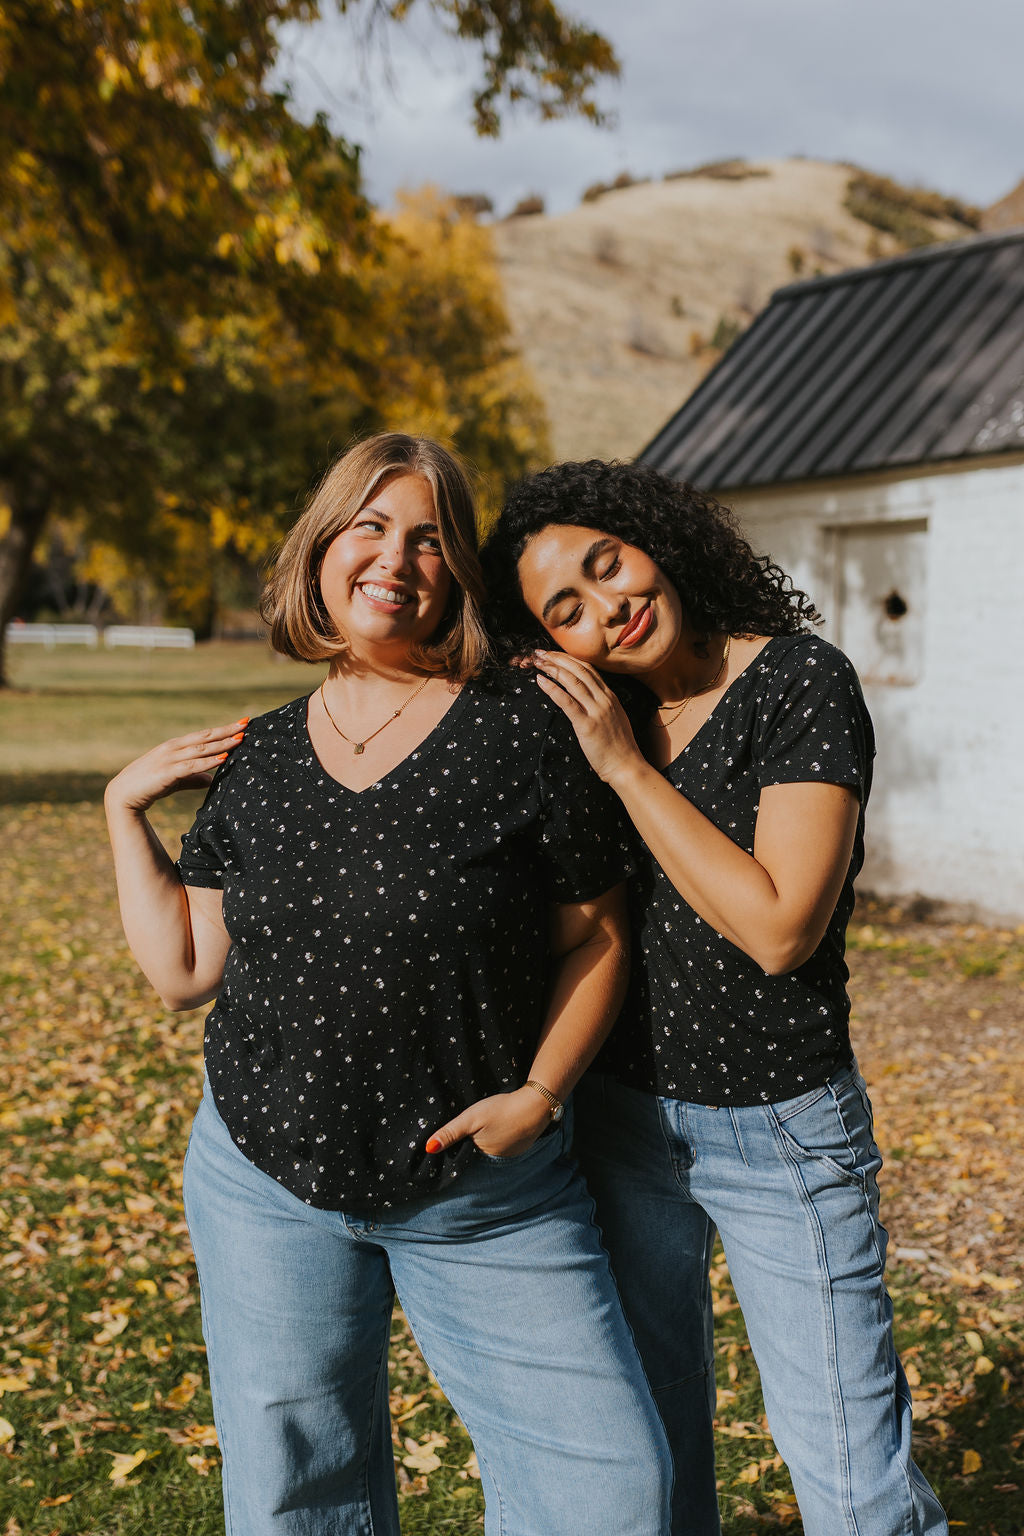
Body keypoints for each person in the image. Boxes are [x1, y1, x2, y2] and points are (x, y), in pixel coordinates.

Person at [104, 434, 672, 1536]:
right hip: (264, 1186)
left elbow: (599, 934)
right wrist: (125, 812)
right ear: (321, 551)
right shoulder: (260, 756)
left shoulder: (519, 730)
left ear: (455, 573)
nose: (394, 559)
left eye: (426, 539)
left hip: (484, 1196)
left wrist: (540, 1097)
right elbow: (183, 970)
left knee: (605, 1489)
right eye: (368, 527)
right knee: (292, 1498)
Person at [482, 458, 948, 1536]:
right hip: (620, 1122)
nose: (611, 605)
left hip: (781, 1134)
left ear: (655, 538)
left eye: (609, 564)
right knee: (650, 1457)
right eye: (569, 610)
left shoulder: (796, 682)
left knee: (851, 1482)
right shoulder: (598, 723)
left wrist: (626, 772)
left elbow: (781, 928)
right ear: (553, 646)